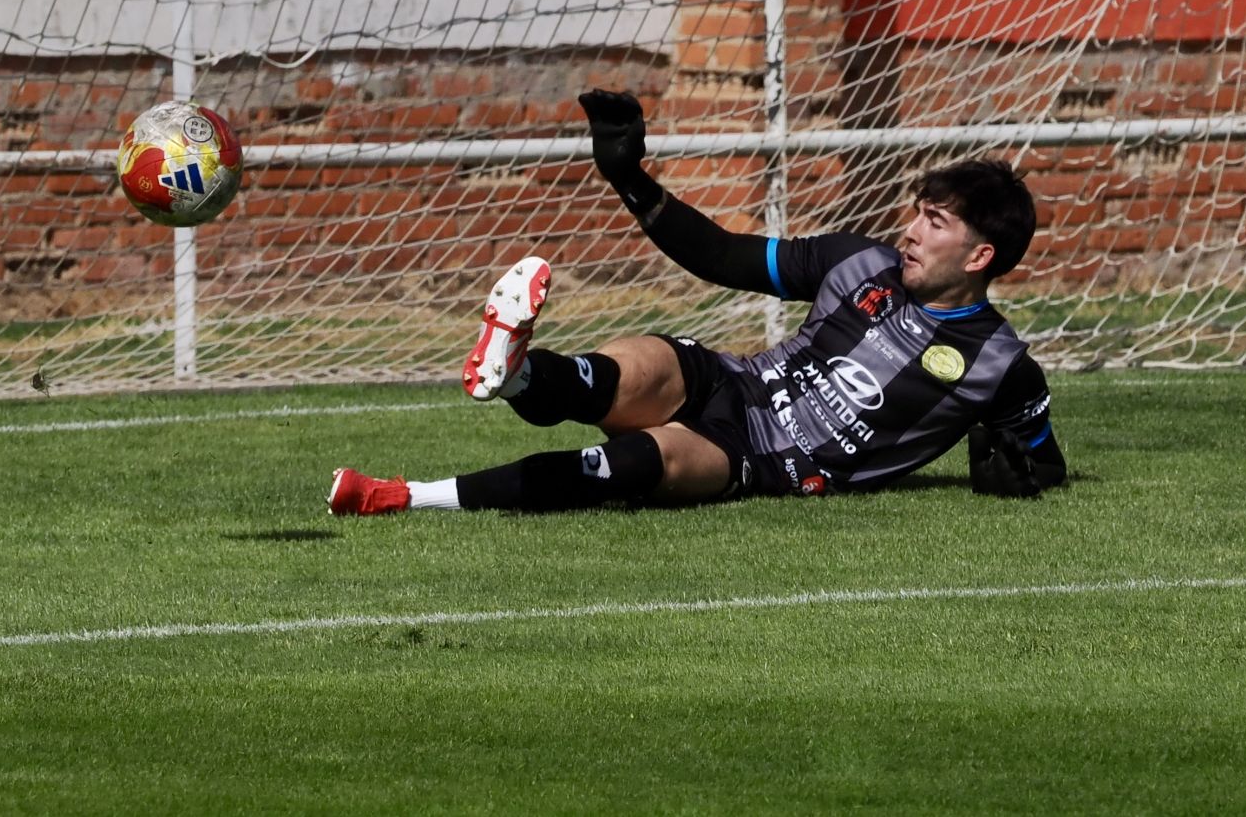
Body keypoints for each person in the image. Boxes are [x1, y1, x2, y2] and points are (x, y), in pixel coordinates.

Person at [328, 89, 1066, 516]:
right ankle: (515, 372)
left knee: (637, 462)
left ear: (979, 258)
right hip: (732, 381)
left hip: (767, 456)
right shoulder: (858, 262)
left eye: (934, 224)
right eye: (917, 214)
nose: (910, 231)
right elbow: (721, 256)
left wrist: (1013, 473)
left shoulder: (999, 365)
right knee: (635, 368)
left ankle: (406, 495)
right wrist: (631, 181)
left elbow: (1043, 462)